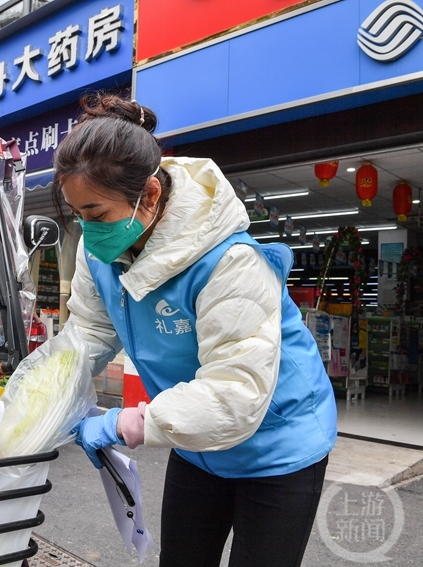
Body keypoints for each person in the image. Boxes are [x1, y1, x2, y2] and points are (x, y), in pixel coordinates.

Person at [57, 94, 337, 567]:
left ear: (149, 194)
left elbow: (235, 391)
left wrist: (124, 422)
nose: (89, 231)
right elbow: (87, 332)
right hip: (198, 445)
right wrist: (40, 396)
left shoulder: (228, 260)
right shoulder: (98, 251)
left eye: (98, 215)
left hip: (278, 445)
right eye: (78, 215)